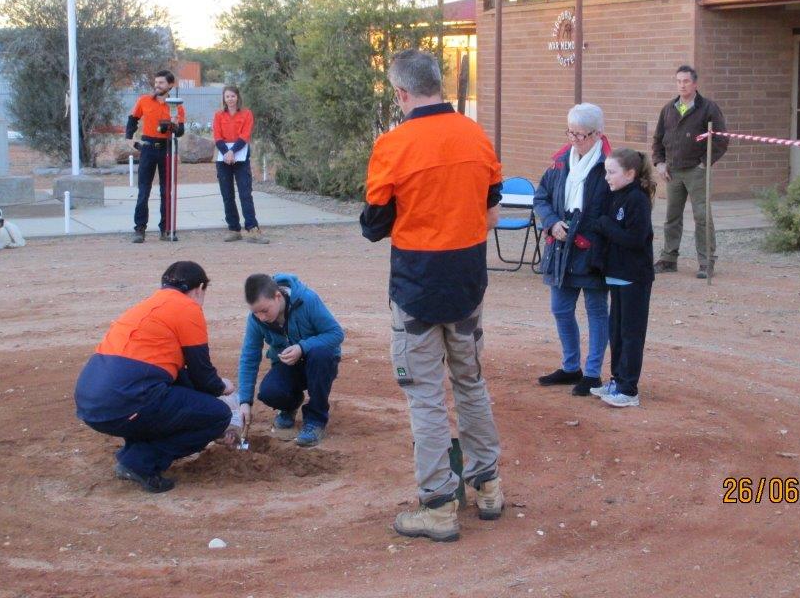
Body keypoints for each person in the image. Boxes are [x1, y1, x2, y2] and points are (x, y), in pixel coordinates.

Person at [361, 48, 504, 543]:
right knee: (470, 381)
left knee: (424, 393)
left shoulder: (393, 145)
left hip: (417, 283)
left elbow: (374, 226)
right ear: (437, 84)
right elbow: (492, 207)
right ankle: (487, 484)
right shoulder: (475, 134)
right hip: (467, 279)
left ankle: (439, 503)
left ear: (402, 93)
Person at [74, 261, 233, 493]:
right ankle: (138, 463)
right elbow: (203, 376)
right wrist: (222, 389)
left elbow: (181, 377)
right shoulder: (188, 308)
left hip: (91, 401)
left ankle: (133, 454)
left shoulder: (146, 306)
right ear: (199, 288)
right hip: (124, 401)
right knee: (218, 415)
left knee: (165, 399)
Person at [533, 103, 612, 396]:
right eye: (571, 132)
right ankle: (570, 367)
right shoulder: (559, 161)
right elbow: (541, 197)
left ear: (598, 134)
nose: (574, 140)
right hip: (561, 248)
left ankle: (592, 373)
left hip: (592, 250)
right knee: (560, 308)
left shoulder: (609, 165)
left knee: (596, 310)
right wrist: (552, 223)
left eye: (581, 135)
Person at [236, 273, 343, 448]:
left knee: (321, 354)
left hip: (318, 362)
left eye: (265, 310)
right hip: (287, 364)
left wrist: (303, 347)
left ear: (278, 296)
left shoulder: (307, 299)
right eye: (255, 312)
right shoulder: (256, 319)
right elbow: (249, 356)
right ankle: (290, 406)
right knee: (269, 392)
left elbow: (336, 334)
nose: (261, 317)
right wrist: (245, 402)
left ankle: (316, 420)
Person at [590, 148, 657, 408]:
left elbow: (635, 239)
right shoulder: (616, 195)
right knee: (616, 332)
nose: (607, 177)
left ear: (630, 174)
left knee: (631, 333)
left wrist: (606, 225)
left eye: (611, 172)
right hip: (616, 276)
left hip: (634, 277)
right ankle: (617, 380)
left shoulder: (637, 199)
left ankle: (629, 389)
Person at [651, 65, 728, 279]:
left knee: (702, 217)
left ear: (695, 84)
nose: (682, 85)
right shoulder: (668, 109)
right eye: (678, 81)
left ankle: (706, 262)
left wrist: (704, 163)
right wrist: (659, 163)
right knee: (671, 217)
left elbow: (721, 140)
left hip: (696, 171)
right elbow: (658, 139)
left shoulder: (708, 108)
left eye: (686, 81)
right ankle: (668, 259)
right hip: (673, 172)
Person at [126, 70, 185, 243]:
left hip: (167, 148)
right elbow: (132, 119)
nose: (157, 85)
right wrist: (130, 139)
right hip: (148, 148)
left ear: (170, 85)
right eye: (156, 82)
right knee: (143, 190)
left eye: (161, 83)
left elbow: (180, 131)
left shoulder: (177, 105)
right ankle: (139, 229)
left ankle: (166, 229)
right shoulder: (144, 100)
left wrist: (174, 125)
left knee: (166, 191)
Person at [212, 86, 269, 244]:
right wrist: (226, 152)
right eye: (227, 96)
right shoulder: (218, 115)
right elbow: (217, 136)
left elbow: (245, 135)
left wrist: (233, 151)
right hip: (223, 158)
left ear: (237, 97)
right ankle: (233, 228)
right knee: (227, 194)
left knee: (245, 193)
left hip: (241, 156)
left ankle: (252, 228)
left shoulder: (246, 113)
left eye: (232, 96)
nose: (230, 99)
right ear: (224, 99)